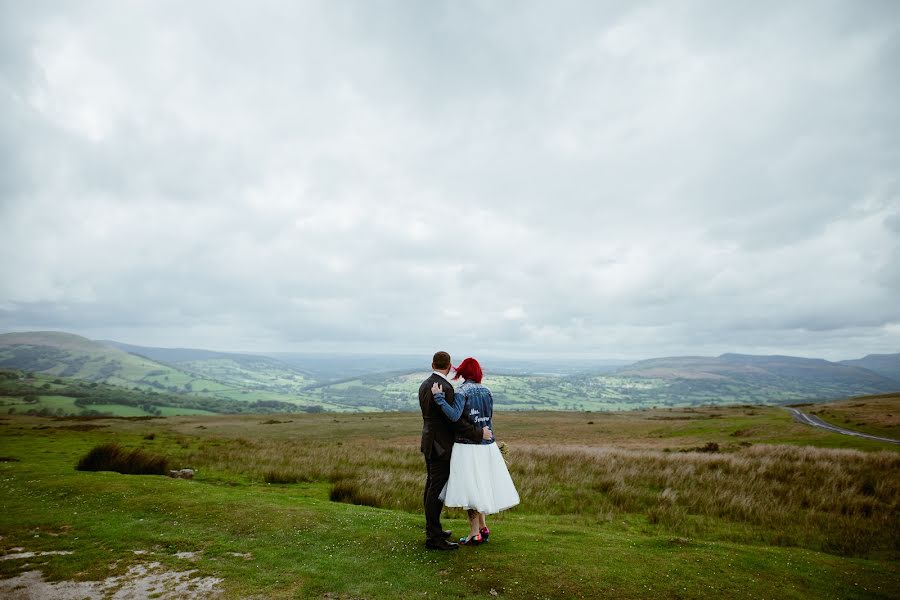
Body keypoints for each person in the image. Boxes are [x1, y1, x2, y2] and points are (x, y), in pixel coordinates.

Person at [431, 357, 519, 545]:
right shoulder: (487, 391)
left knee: (470, 489)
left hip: (467, 446)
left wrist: (439, 399)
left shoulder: (462, 391)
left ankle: (474, 533)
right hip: (487, 446)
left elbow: (454, 416)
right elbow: (489, 419)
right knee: (481, 486)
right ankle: (482, 528)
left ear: (463, 372)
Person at [419, 351, 493, 550]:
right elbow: (456, 422)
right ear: (450, 366)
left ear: (432, 364)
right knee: (435, 491)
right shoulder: (446, 388)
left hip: (429, 443)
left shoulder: (426, 384)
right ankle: (434, 538)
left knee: (431, 487)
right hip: (442, 446)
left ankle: (434, 530)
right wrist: (479, 433)